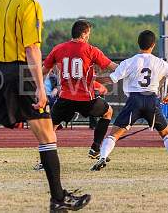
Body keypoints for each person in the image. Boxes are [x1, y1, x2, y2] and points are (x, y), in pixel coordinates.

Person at [0, 0, 91, 212]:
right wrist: (40, 86)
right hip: (21, 72)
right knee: (47, 136)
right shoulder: (30, 5)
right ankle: (58, 199)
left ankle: (59, 197)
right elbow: (31, 49)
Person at [91, 30, 168, 171]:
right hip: (152, 100)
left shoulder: (129, 62)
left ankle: (102, 158)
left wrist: (94, 79)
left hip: (134, 100)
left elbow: (112, 79)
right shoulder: (160, 63)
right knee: (166, 134)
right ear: (153, 45)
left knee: (114, 134)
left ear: (138, 44)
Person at [43, 19, 118, 159]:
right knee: (108, 112)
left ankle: (46, 161)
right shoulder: (91, 50)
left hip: (65, 97)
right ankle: (95, 148)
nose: (89, 37)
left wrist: (39, 88)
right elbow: (113, 66)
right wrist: (130, 69)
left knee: (51, 127)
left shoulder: (58, 48)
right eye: (88, 33)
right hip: (86, 98)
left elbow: (43, 70)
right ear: (83, 34)